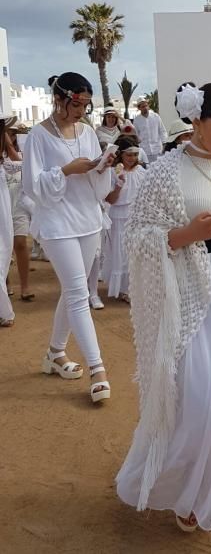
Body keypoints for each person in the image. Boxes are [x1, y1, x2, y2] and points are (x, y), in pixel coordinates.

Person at [116, 83, 211, 535]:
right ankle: (189, 483)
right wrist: (187, 235)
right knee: (201, 400)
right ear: (196, 122)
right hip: (190, 293)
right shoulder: (164, 171)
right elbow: (138, 239)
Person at [22, 72, 114, 402]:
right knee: (77, 292)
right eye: (77, 103)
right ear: (60, 98)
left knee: (72, 289)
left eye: (86, 105)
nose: (81, 110)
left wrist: (101, 167)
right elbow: (33, 186)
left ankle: (55, 353)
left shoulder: (87, 131)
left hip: (87, 219)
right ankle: (98, 369)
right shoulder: (37, 136)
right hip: (57, 223)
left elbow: (94, 178)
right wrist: (66, 170)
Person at [102, 135, 146, 303]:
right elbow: (111, 200)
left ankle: (136, 287)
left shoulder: (142, 172)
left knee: (137, 253)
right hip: (119, 217)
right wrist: (119, 184)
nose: (132, 158)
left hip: (138, 217)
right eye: (129, 155)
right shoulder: (113, 173)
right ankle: (123, 288)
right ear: (120, 155)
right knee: (122, 252)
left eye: (135, 154)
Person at [5, 124, 34, 301]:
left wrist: (8, 145)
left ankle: (25, 286)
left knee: (20, 243)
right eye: (8, 132)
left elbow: (21, 165)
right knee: (4, 248)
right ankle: (6, 284)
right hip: (3, 205)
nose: (11, 135)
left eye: (13, 133)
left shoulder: (21, 154)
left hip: (19, 205)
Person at [0, 116, 20, 327]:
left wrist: (5, 142)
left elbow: (17, 165)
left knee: (2, 254)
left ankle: (3, 310)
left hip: (2, 213)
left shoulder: (3, 161)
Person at [132, 97, 167, 162]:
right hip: (145, 152)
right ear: (139, 108)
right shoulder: (136, 120)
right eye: (143, 107)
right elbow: (135, 136)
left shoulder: (156, 116)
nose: (145, 108)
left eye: (146, 106)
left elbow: (162, 131)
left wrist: (164, 145)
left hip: (158, 150)